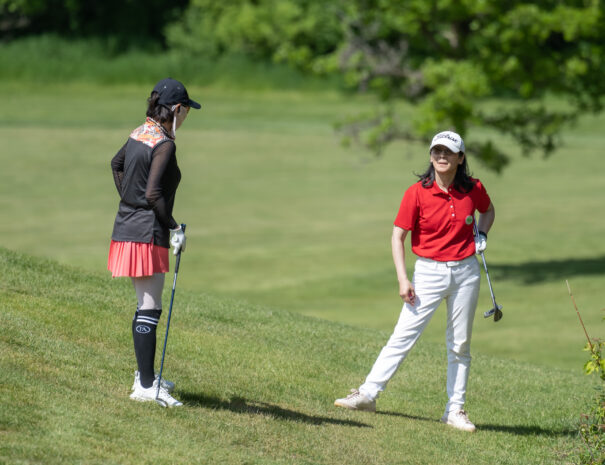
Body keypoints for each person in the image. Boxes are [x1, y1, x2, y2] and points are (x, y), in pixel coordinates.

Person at [334, 130, 495, 432]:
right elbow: (398, 236)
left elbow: (487, 210)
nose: (442, 157)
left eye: (448, 152)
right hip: (428, 273)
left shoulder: (473, 188)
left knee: (460, 344)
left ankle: (455, 410)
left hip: (466, 272)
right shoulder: (417, 192)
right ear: (431, 156)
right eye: (437, 151)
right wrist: (402, 278)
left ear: (461, 158)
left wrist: (482, 234)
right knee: (403, 335)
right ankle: (367, 394)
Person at [107, 78, 200, 407]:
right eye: (186, 110)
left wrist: (129, 201)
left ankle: (144, 376)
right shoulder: (164, 144)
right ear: (176, 109)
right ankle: (146, 387)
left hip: (127, 227)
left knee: (145, 305)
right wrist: (174, 228)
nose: (186, 117)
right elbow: (153, 194)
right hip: (147, 233)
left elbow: (117, 164)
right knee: (149, 306)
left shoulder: (140, 132)